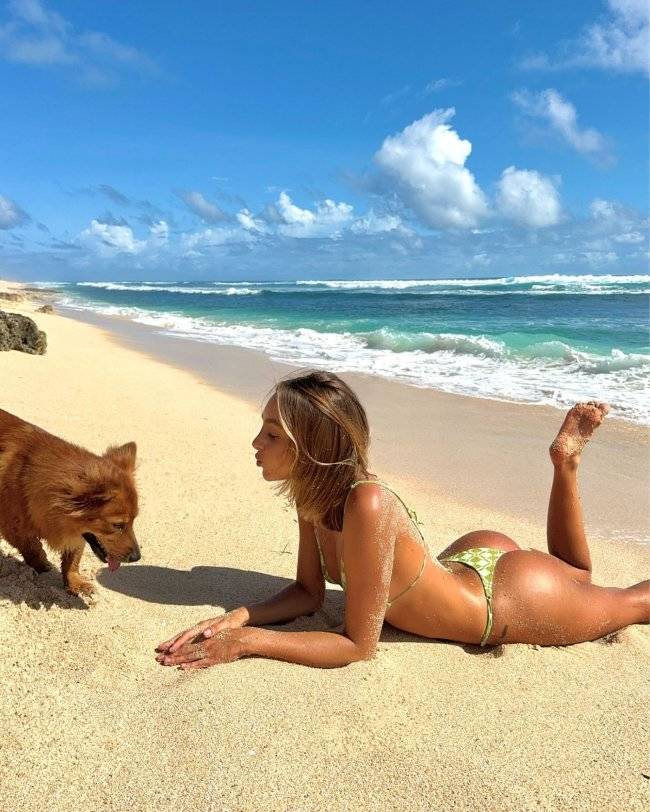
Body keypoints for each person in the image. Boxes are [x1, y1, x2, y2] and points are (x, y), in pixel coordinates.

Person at [155, 370, 649, 669]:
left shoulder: (365, 503)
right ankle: (565, 465)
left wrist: (249, 643)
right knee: (577, 576)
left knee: (624, 597)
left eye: (271, 435)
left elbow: (357, 645)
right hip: (465, 563)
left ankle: (565, 463)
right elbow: (308, 593)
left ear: (311, 447)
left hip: (503, 601)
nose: (256, 444)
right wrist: (240, 616)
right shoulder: (313, 496)